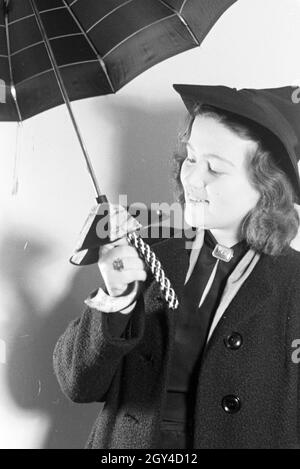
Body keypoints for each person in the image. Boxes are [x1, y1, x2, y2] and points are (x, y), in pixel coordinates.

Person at [53, 84, 300, 449]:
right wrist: (115, 296)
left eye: (215, 168)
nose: (192, 179)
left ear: (267, 186)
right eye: (191, 157)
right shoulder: (146, 252)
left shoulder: (294, 283)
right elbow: (77, 384)